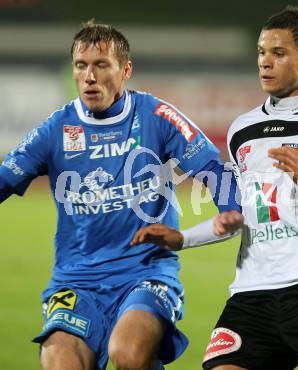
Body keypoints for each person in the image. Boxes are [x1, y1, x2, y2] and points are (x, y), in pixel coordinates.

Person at [132, 5, 298, 370]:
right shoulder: (242, 130)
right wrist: (182, 239)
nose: (265, 62)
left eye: (279, 54)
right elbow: (243, 216)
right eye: (262, 52)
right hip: (254, 290)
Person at [0, 21, 242, 370]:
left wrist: (231, 209)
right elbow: (5, 179)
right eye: (81, 66)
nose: (89, 76)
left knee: (128, 352)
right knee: (58, 359)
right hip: (75, 281)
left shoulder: (155, 116)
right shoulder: (56, 129)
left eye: (101, 65)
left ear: (125, 69)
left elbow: (211, 167)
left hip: (145, 273)